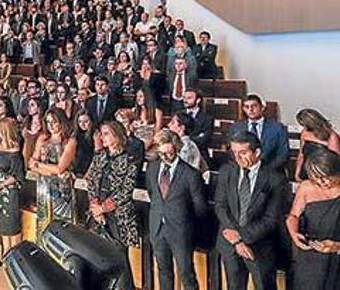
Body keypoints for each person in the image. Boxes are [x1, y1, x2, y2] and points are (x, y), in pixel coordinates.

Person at [215, 131, 288, 290]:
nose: (238, 158)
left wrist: (241, 237)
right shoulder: (227, 171)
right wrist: (236, 240)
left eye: (243, 153)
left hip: (259, 246)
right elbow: (220, 206)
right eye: (234, 153)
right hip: (230, 244)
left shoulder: (275, 179)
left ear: (257, 152)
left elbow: (271, 220)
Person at [146, 130, 207, 290]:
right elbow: (153, 195)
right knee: (163, 271)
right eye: (161, 153)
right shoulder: (152, 169)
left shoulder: (190, 174)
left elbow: (200, 208)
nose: (165, 157)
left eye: (169, 152)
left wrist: (184, 223)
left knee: (186, 274)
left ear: (177, 148)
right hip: (158, 228)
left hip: (181, 231)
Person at [84, 121, 139, 290]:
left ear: (117, 136)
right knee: (95, 254)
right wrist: (94, 204)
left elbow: (125, 191)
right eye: (101, 133)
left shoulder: (130, 160)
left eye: (106, 133)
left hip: (118, 217)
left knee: (120, 258)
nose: (102, 137)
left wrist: (103, 208)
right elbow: (91, 179)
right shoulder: (100, 156)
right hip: (96, 213)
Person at [286, 148, 340, 290]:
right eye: (317, 178)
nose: (323, 182)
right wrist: (294, 234)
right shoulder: (306, 187)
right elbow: (293, 216)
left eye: (328, 177)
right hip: (310, 252)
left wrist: (337, 246)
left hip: (336, 254)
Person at [29, 110, 77, 229]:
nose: (50, 125)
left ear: (61, 122)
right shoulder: (42, 138)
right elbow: (31, 164)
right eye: (48, 122)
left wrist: (39, 165)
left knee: (63, 225)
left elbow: (60, 168)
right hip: (43, 186)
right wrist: (50, 170)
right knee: (43, 221)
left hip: (62, 189)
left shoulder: (69, 141)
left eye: (54, 122)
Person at [0, 117, 25, 266]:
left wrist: (2, 184)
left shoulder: (15, 148)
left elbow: (18, 175)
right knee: (1, 221)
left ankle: (14, 255)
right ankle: (4, 252)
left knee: (12, 223)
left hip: (9, 190)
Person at [229, 95, 289, 172]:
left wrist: (265, 170)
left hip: (270, 172)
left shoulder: (277, 128)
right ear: (243, 109)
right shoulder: (235, 127)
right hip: (243, 171)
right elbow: (231, 151)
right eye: (247, 107)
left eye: (254, 106)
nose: (250, 110)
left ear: (262, 107)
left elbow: (283, 154)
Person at [295, 108, 340, 181]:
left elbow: (335, 160)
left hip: (323, 173)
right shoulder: (305, 133)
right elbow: (301, 155)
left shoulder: (331, 136)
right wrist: (297, 173)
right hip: (306, 170)